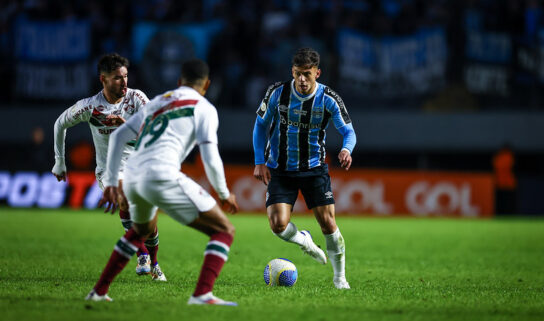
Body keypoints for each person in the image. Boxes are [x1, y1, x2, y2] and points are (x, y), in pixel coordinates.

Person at [86, 58, 240, 305]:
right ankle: (202, 295)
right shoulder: (204, 108)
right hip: (162, 174)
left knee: (140, 231)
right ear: (207, 84)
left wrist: (113, 183)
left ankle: (99, 291)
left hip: (133, 176)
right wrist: (223, 193)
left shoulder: (158, 101)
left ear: (179, 82)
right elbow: (209, 155)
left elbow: (118, 136)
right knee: (225, 230)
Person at [51, 53, 166, 280]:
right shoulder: (90, 108)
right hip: (110, 171)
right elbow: (59, 123)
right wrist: (60, 161)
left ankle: (154, 263)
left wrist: (126, 126)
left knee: (150, 227)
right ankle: (141, 253)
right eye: (117, 78)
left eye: (125, 77)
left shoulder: (137, 99)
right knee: (123, 195)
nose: (124, 83)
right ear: (103, 79)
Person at [252, 48, 356, 289]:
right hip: (280, 168)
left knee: (328, 224)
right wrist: (259, 161)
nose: (301, 79)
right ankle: (305, 242)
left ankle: (339, 278)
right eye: (298, 73)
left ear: (317, 73)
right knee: (278, 225)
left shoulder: (329, 98)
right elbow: (260, 125)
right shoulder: (277, 92)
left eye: (307, 74)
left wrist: (346, 149)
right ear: (292, 71)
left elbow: (348, 131)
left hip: (314, 169)